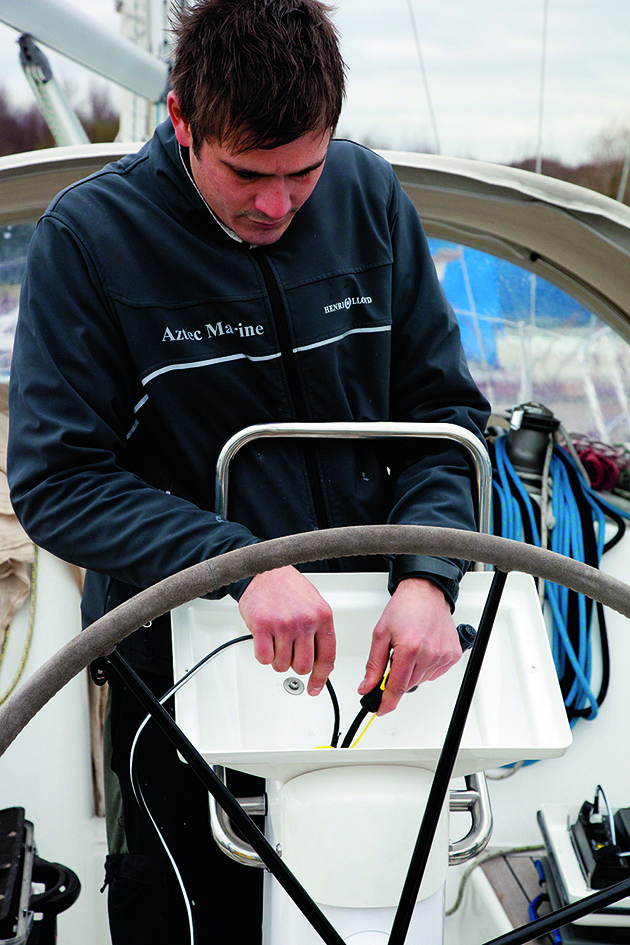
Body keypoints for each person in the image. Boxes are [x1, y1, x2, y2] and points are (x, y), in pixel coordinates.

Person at [7, 0, 490, 941]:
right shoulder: (88, 240)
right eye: (247, 172)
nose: (277, 204)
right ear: (183, 119)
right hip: (182, 679)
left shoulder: (369, 198)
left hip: (377, 661)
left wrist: (431, 575)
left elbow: (443, 421)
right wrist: (241, 564)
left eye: (303, 170)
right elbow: (59, 480)